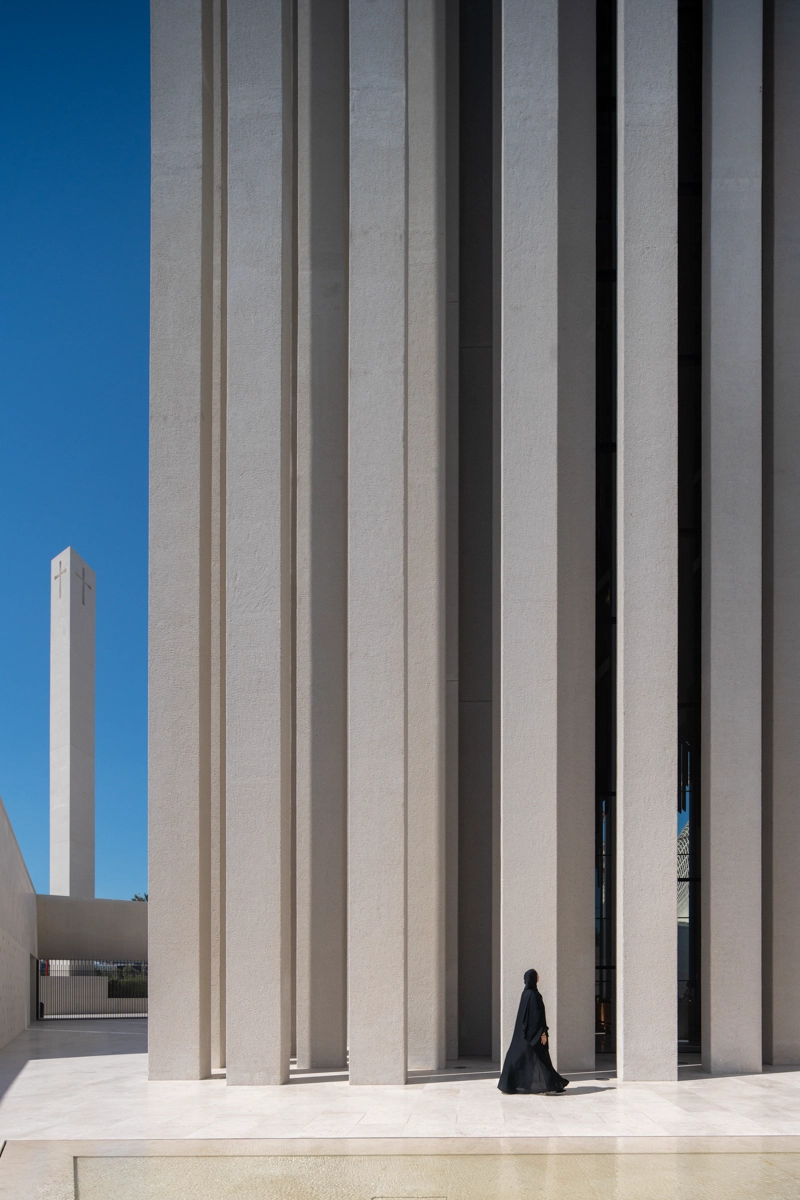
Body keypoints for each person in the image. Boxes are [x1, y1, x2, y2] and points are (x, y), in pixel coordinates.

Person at [497, 969, 569, 1094]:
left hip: (524, 1036)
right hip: (534, 1035)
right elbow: (538, 1017)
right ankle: (553, 1085)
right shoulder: (534, 995)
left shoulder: (525, 994)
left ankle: (508, 1085)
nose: (539, 977)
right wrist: (542, 1033)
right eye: (537, 975)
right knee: (541, 1059)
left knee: (520, 1057)